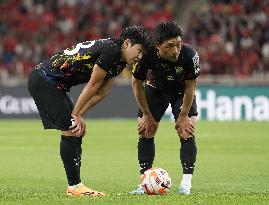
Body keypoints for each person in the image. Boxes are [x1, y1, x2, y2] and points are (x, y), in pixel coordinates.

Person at [27, 26, 151, 197]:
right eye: (139, 50)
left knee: (77, 130)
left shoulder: (120, 60)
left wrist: (79, 114)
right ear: (127, 43)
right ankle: (75, 187)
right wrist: (76, 115)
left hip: (55, 84)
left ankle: (76, 186)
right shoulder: (112, 51)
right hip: (45, 80)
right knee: (72, 129)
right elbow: (93, 84)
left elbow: (102, 92)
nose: (140, 56)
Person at [130, 20, 200, 195]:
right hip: (155, 89)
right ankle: (145, 181)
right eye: (169, 46)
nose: (175, 50)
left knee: (186, 131)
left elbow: (191, 86)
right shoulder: (145, 55)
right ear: (157, 45)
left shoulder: (189, 54)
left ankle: (186, 183)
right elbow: (136, 84)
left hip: (181, 92)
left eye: (178, 44)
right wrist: (146, 114)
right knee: (146, 130)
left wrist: (183, 115)